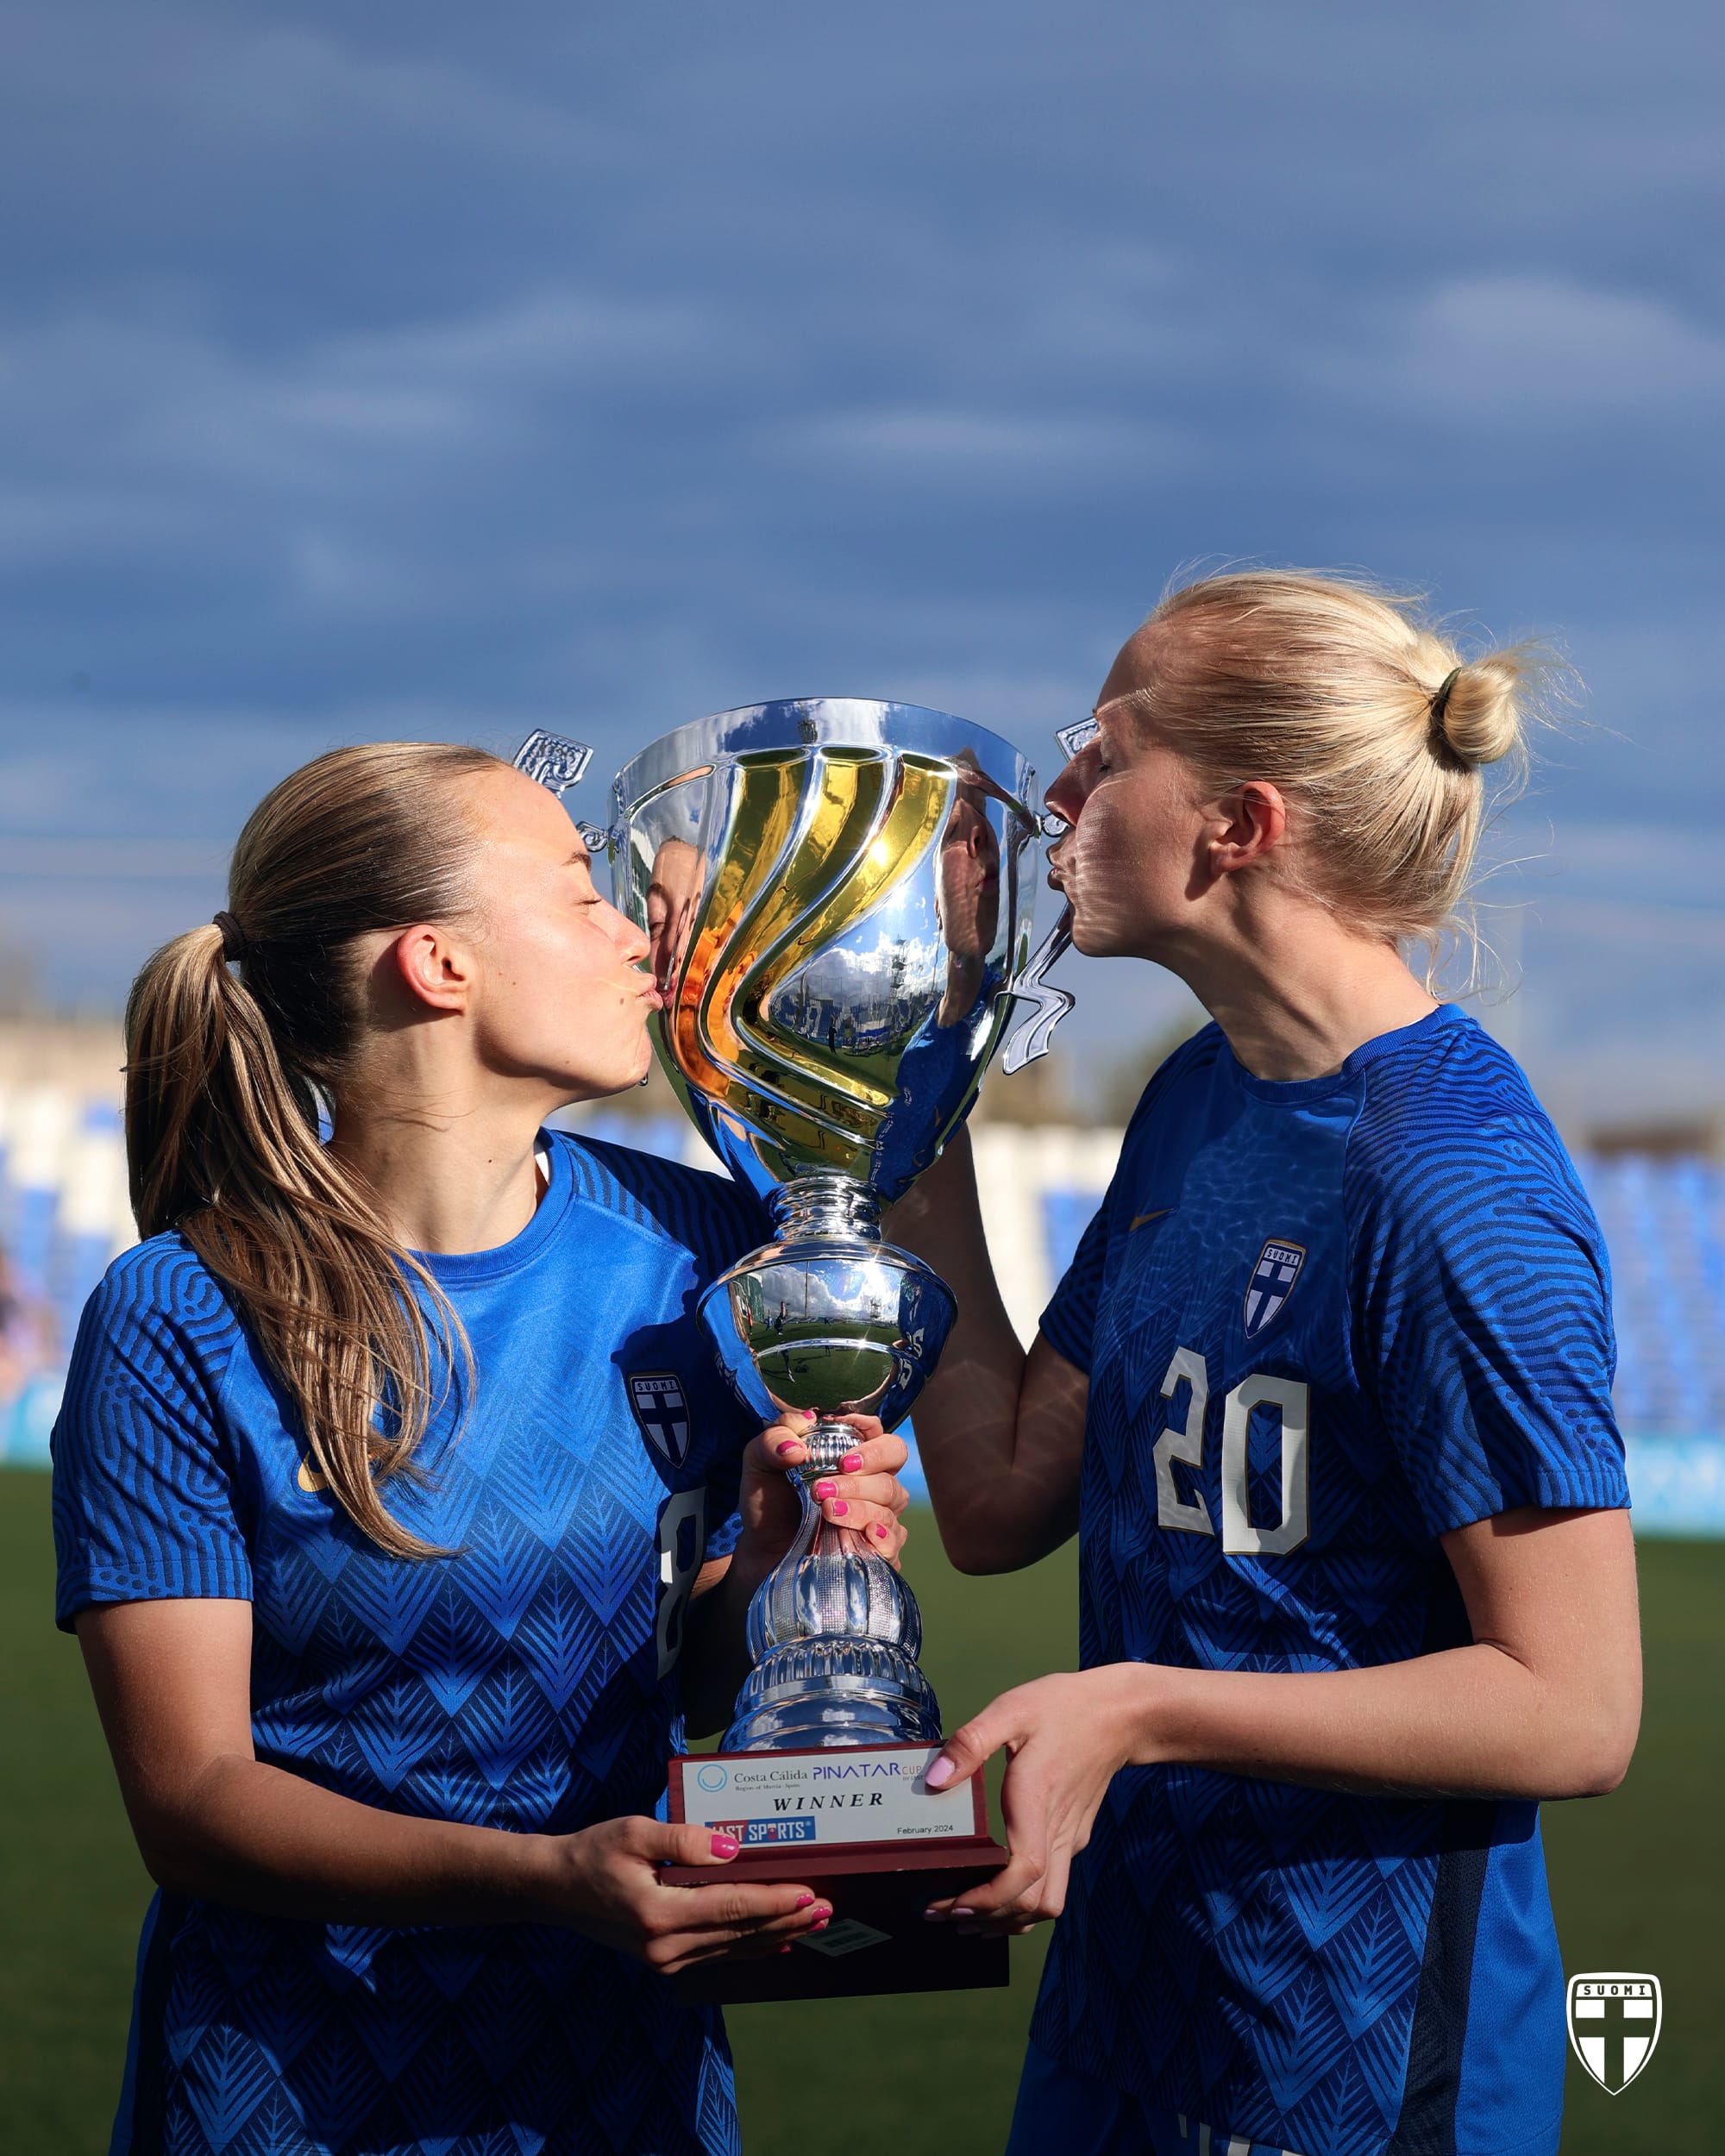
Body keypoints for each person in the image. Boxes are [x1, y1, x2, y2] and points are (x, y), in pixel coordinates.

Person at [51, 742, 910, 2156]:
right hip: (287, 2096)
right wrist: (550, 1878)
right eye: (582, 895)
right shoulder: (182, 1312)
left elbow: (676, 1684)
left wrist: (769, 1566)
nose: (634, 934)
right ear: (437, 965)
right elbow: (193, 1804)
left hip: (628, 2089)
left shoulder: (701, 1257)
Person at [891, 572, 1640, 2156]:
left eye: (1099, 757)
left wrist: (1142, 1711)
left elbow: (1575, 1709)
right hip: (1124, 2017)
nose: (1055, 798)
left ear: (1235, 824)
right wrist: (924, 1080)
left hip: (1355, 2080)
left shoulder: (1455, 1186)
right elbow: (1002, 1496)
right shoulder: (1194, 1099)